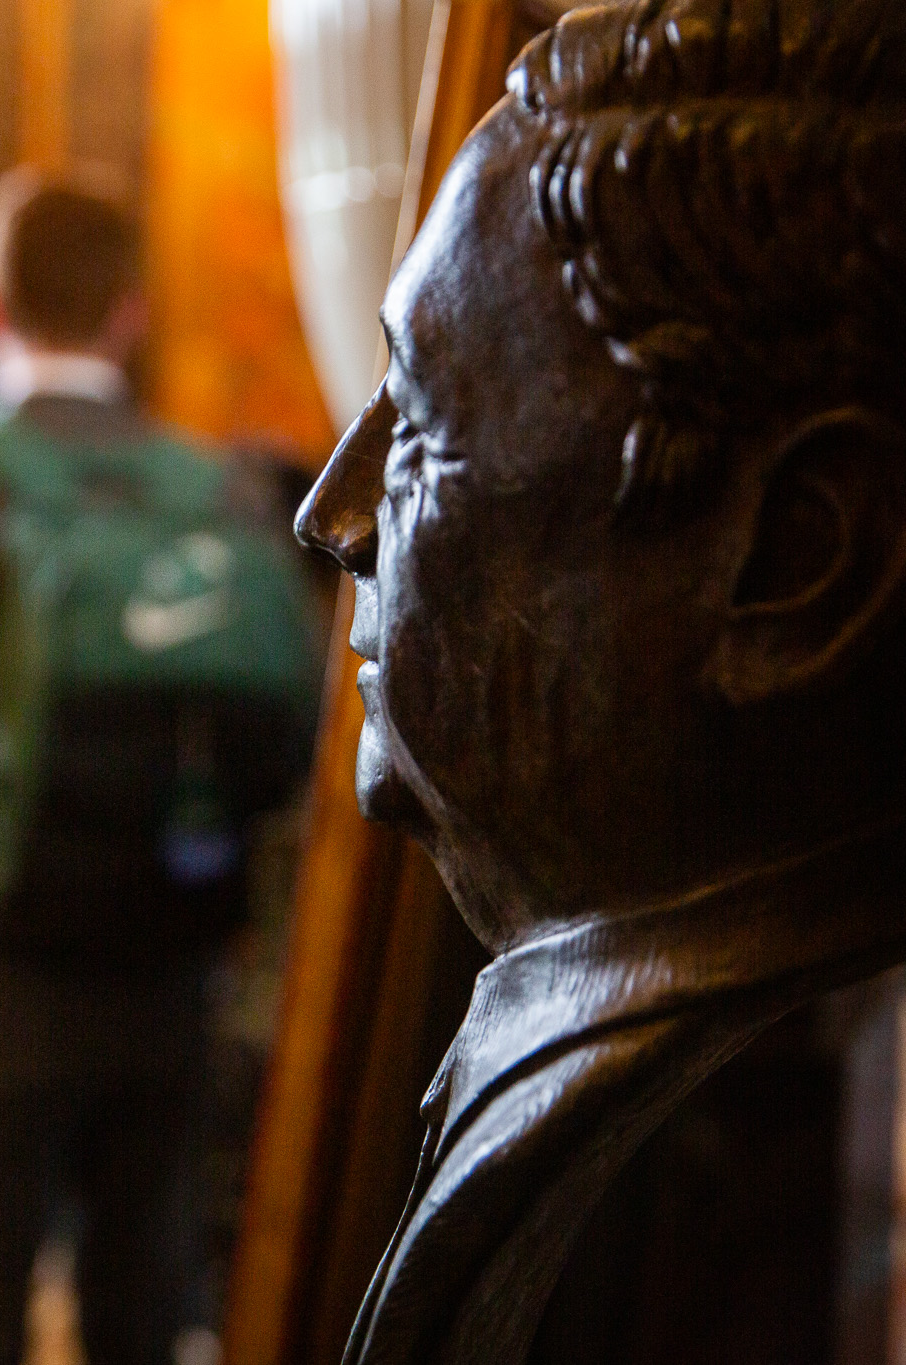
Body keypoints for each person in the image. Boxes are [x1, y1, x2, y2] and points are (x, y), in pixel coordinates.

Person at [290, 1, 906, 1360]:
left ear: (794, 563)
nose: (332, 516)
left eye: (423, 427)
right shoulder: (592, 1023)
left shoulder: (758, 1184)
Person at [0, 174, 323, 1365]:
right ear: (130, 314)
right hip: (167, 972)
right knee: (136, 1318)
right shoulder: (224, 490)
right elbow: (288, 746)